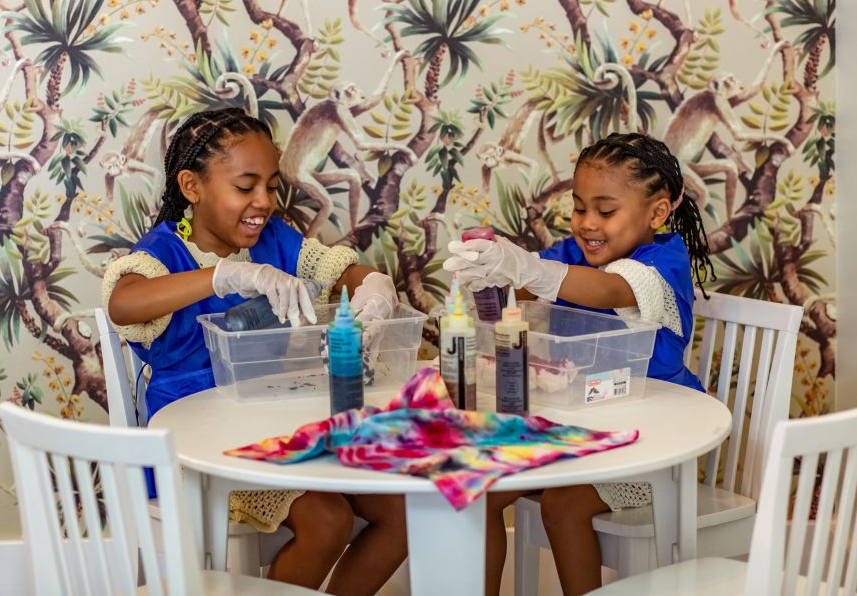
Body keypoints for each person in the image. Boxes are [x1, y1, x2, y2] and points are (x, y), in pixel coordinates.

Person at [102, 108, 406, 595]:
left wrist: (373, 286)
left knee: (403, 513)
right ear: (191, 186)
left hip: (275, 428)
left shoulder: (274, 241)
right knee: (327, 522)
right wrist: (223, 276)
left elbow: (336, 270)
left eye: (271, 184)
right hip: (198, 450)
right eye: (246, 187)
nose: (263, 201)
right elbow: (124, 302)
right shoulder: (165, 251)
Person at [444, 132, 716, 596]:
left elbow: (605, 289)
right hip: (581, 430)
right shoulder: (575, 254)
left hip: (653, 446)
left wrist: (526, 268)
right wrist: (494, 274)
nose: (588, 223)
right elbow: (531, 291)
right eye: (579, 207)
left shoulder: (663, 261)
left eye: (605, 211)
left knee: (563, 504)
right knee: (479, 493)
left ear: (657, 212)